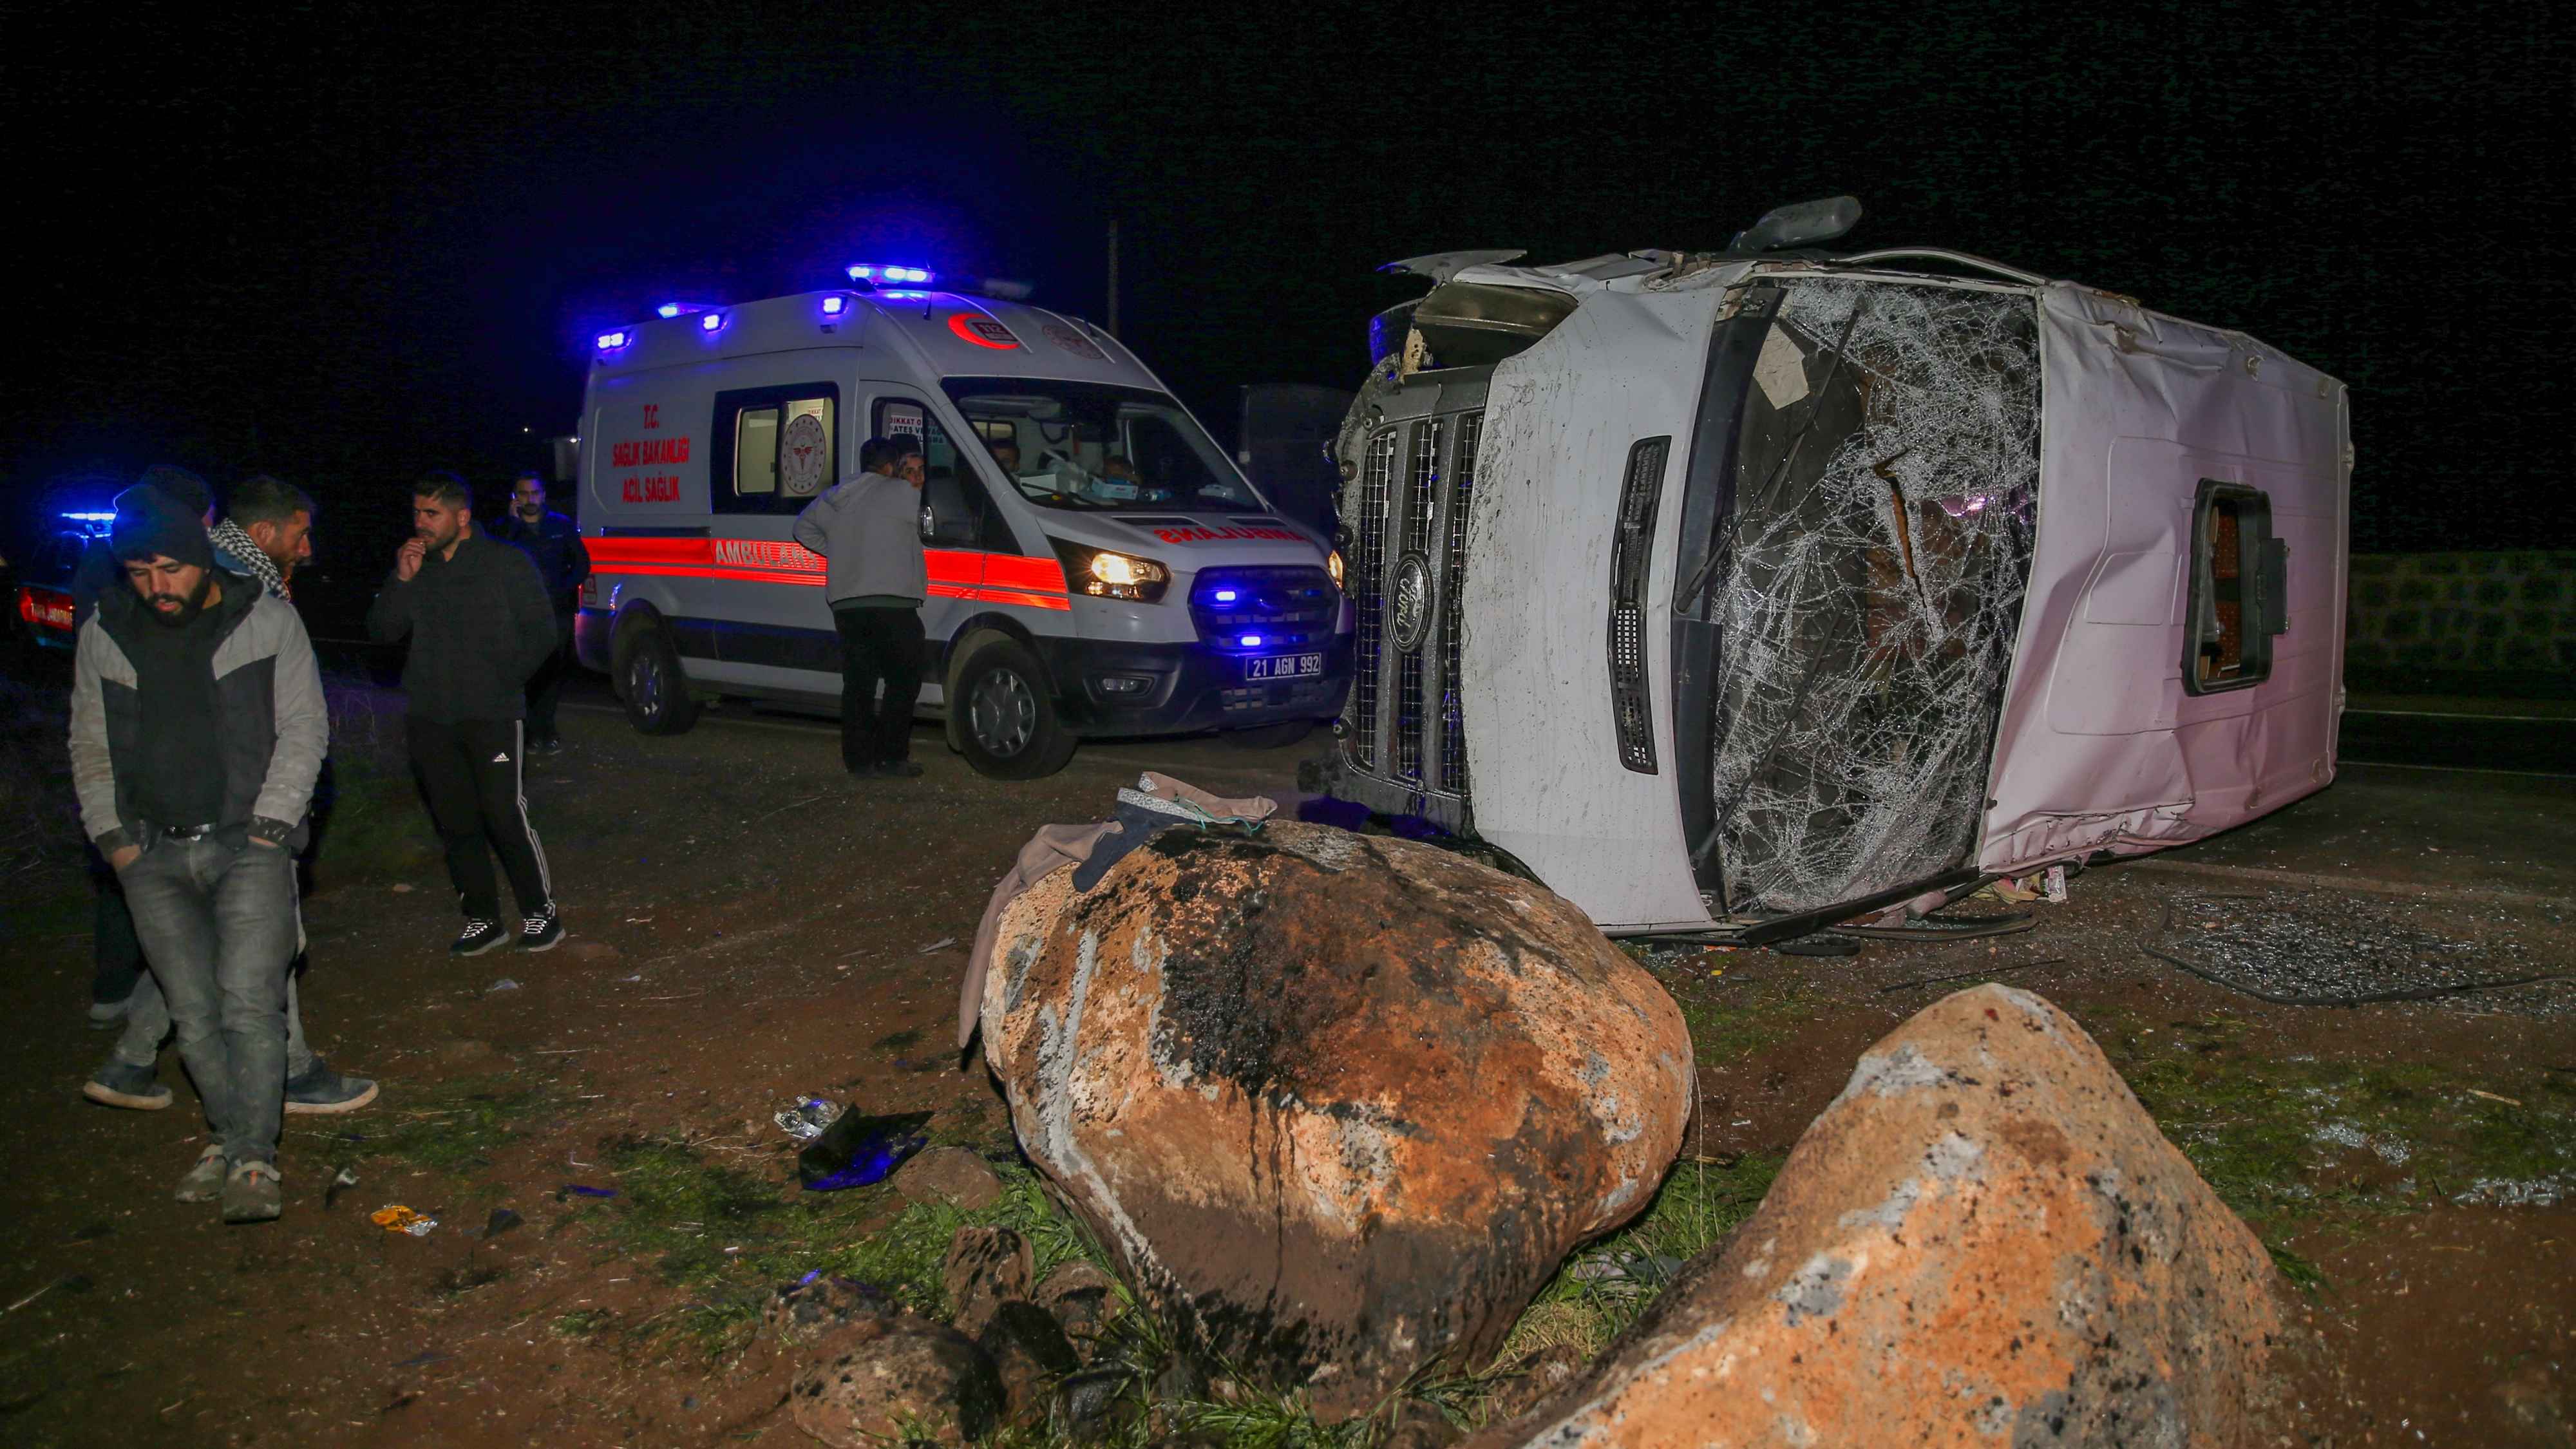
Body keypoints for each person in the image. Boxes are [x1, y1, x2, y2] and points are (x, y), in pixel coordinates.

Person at [76, 469, 373, 1117]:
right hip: (235, 811)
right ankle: (286, 1075)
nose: (307, 548)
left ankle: (130, 1060)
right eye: (300, 534)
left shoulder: (187, 577)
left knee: (212, 952)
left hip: (238, 812)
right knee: (263, 950)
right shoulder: (232, 581)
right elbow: (277, 716)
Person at [366, 471, 566, 954]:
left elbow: (542, 632)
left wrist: (504, 680)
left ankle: (541, 913)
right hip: (431, 716)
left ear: (462, 517)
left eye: (431, 514)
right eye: (416, 513)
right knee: (455, 820)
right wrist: (401, 579)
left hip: (491, 713)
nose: (421, 524)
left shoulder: (505, 563)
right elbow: (383, 632)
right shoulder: (418, 569)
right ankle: (483, 918)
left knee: (503, 814)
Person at [793, 437, 929, 779]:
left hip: (848, 604)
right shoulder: (900, 493)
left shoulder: (836, 496)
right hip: (892, 603)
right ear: (890, 467)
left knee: (858, 685)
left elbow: (802, 528)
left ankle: (859, 762)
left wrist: (840, 552)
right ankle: (892, 757)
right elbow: (929, 524)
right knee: (904, 680)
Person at [487, 471, 590, 753]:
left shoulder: (561, 525)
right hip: (517, 615)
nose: (529, 499)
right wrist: (511, 525)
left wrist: (563, 589)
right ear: (514, 496)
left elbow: (582, 564)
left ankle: (547, 730)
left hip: (556, 611)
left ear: (543, 495)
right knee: (525, 673)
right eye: (523, 493)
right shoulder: (503, 529)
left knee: (553, 672)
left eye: (534, 493)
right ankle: (530, 733)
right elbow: (491, 563)